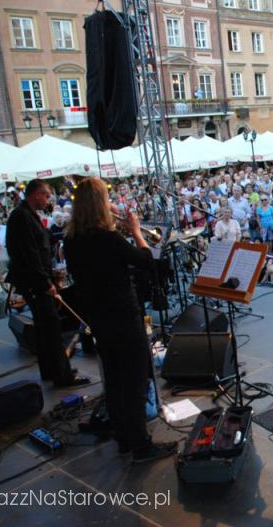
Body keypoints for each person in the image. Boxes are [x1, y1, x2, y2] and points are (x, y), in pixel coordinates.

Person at [64, 178, 175, 462]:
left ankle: (124, 438)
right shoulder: (107, 238)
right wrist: (137, 232)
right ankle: (141, 446)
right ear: (99, 204)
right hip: (123, 315)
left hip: (98, 317)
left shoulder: (72, 240)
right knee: (136, 378)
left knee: (113, 379)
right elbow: (146, 259)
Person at [6, 179, 88, 387]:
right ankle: (63, 375)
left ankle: (50, 370)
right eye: (45, 195)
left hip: (34, 279)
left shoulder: (26, 215)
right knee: (51, 327)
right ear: (35, 195)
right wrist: (45, 283)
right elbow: (29, 254)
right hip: (35, 282)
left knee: (44, 327)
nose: (48, 199)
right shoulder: (22, 217)